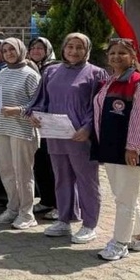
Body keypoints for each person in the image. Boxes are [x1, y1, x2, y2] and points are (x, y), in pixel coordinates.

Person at [27, 32, 108, 244]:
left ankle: (90, 224)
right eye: (70, 46)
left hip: (81, 138)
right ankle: (64, 219)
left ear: (87, 50)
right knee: (62, 178)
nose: (74, 51)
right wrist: (34, 114)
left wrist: (88, 127)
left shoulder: (96, 74)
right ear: (63, 48)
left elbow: (99, 106)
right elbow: (40, 99)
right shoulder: (51, 71)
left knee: (86, 181)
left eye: (79, 47)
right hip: (55, 135)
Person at [90, 38, 140, 261]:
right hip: (110, 147)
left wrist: (133, 148)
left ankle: (120, 243)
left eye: (122, 53)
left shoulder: (138, 83)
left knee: (124, 199)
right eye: (112, 53)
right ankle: (137, 237)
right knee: (124, 195)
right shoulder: (109, 81)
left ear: (132, 57)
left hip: (129, 150)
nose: (116, 57)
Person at [0, 38, 42, 229]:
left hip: (23, 128)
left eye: (12, 49)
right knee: (6, 171)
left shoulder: (30, 74)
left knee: (23, 173)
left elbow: (38, 103)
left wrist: (18, 110)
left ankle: (27, 214)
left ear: (20, 50)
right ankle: (12, 208)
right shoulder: (2, 73)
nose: (9, 53)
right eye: (5, 50)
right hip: (1, 127)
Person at [26, 36, 60, 216]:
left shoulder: (54, 68)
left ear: (47, 50)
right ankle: (46, 199)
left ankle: (58, 204)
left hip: (51, 122)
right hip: (35, 122)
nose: (36, 51)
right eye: (33, 48)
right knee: (39, 162)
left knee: (52, 163)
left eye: (40, 48)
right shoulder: (30, 68)